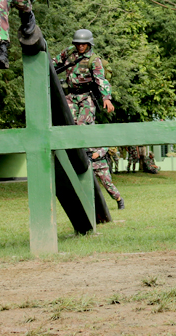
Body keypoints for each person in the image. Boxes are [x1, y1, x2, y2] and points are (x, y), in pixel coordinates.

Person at [53, 29, 123, 209]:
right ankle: (72, 155)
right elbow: (53, 63)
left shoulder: (94, 60)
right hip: (69, 96)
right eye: (78, 43)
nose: (80, 46)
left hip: (86, 98)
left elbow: (101, 80)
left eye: (83, 44)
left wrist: (106, 98)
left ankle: (85, 155)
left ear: (89, 44)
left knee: (82, 126)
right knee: (67, 125)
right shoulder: (68, 53)